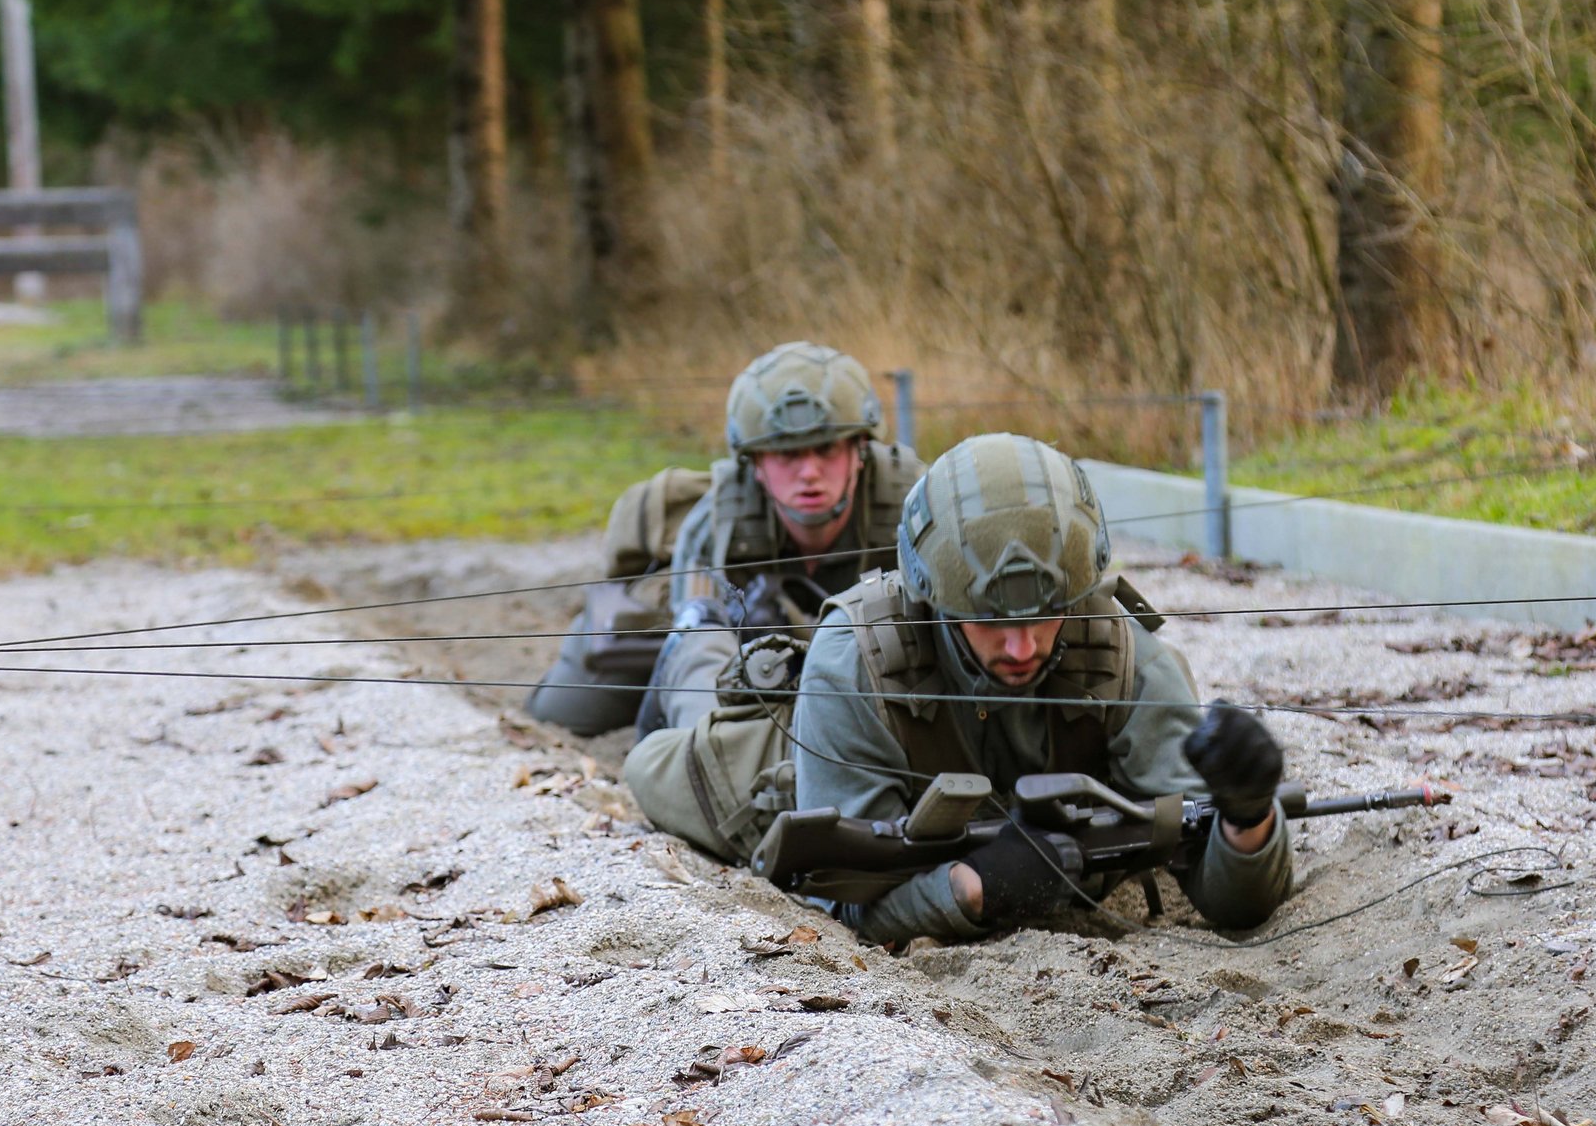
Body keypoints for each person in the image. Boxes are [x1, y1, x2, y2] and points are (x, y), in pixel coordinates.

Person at [630, 431, 1295, 945]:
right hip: (762, 763)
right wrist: (974, 888)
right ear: (933, 599)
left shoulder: (1126, 659)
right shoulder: (853, 662)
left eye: (1045, 616)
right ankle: (690, 638)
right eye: (989, 621)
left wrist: (1248, 818)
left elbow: (1231, 898)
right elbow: (832, 903)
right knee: (688, 707)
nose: (1021, 647)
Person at [526, 341, 924, 736]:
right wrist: (710, 744)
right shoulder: (716, 523)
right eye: (787, 454)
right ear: (755, 465)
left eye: (826, 450)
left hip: (878, 664)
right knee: (561, 712)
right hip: (741, 655)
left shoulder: (915, 504)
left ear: (860, 449)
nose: (809, 472)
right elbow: (697, 647)